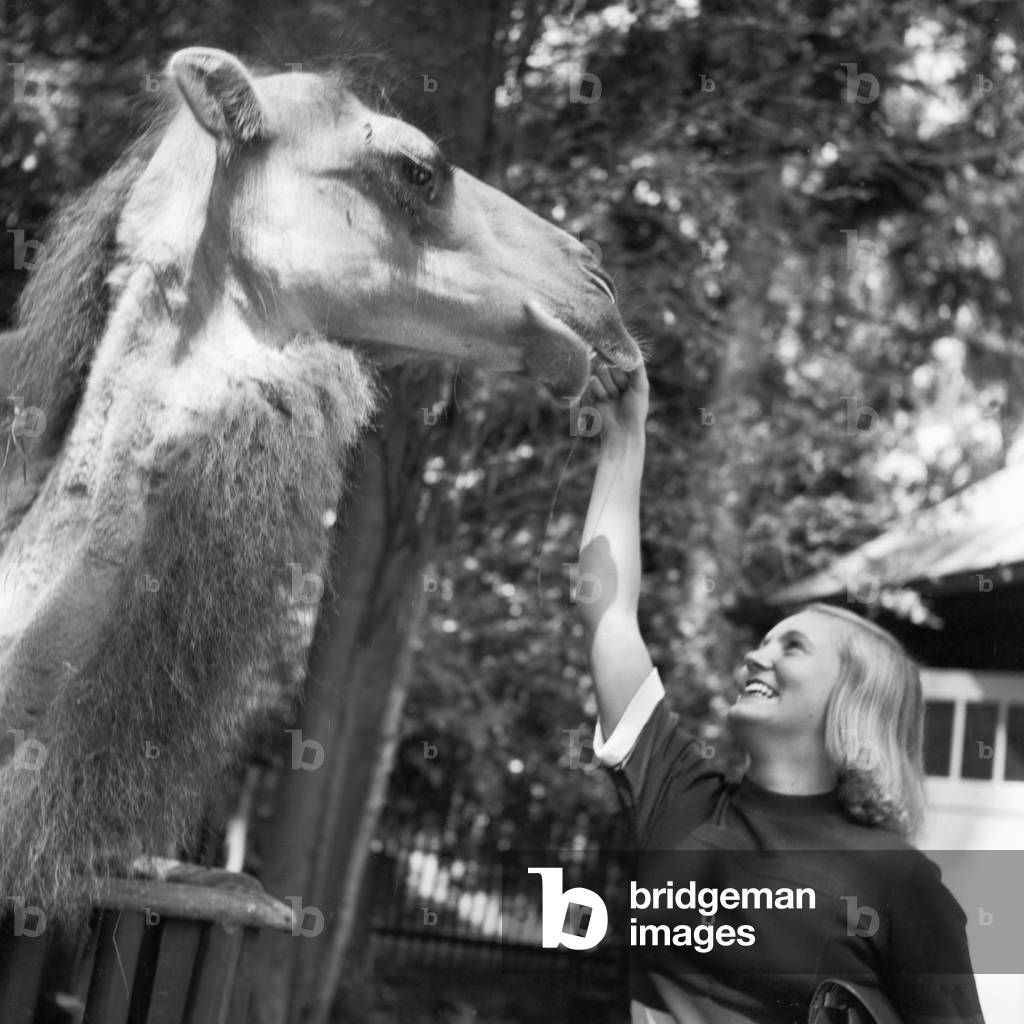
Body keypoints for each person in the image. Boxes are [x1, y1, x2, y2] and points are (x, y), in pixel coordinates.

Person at [577, 361, 985, 1024]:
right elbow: (608, 614)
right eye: (764, 640)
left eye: (791, 647)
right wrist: (624, 441)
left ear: (853, 702)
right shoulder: (678, 797)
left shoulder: (899, 884)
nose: (754, 655)